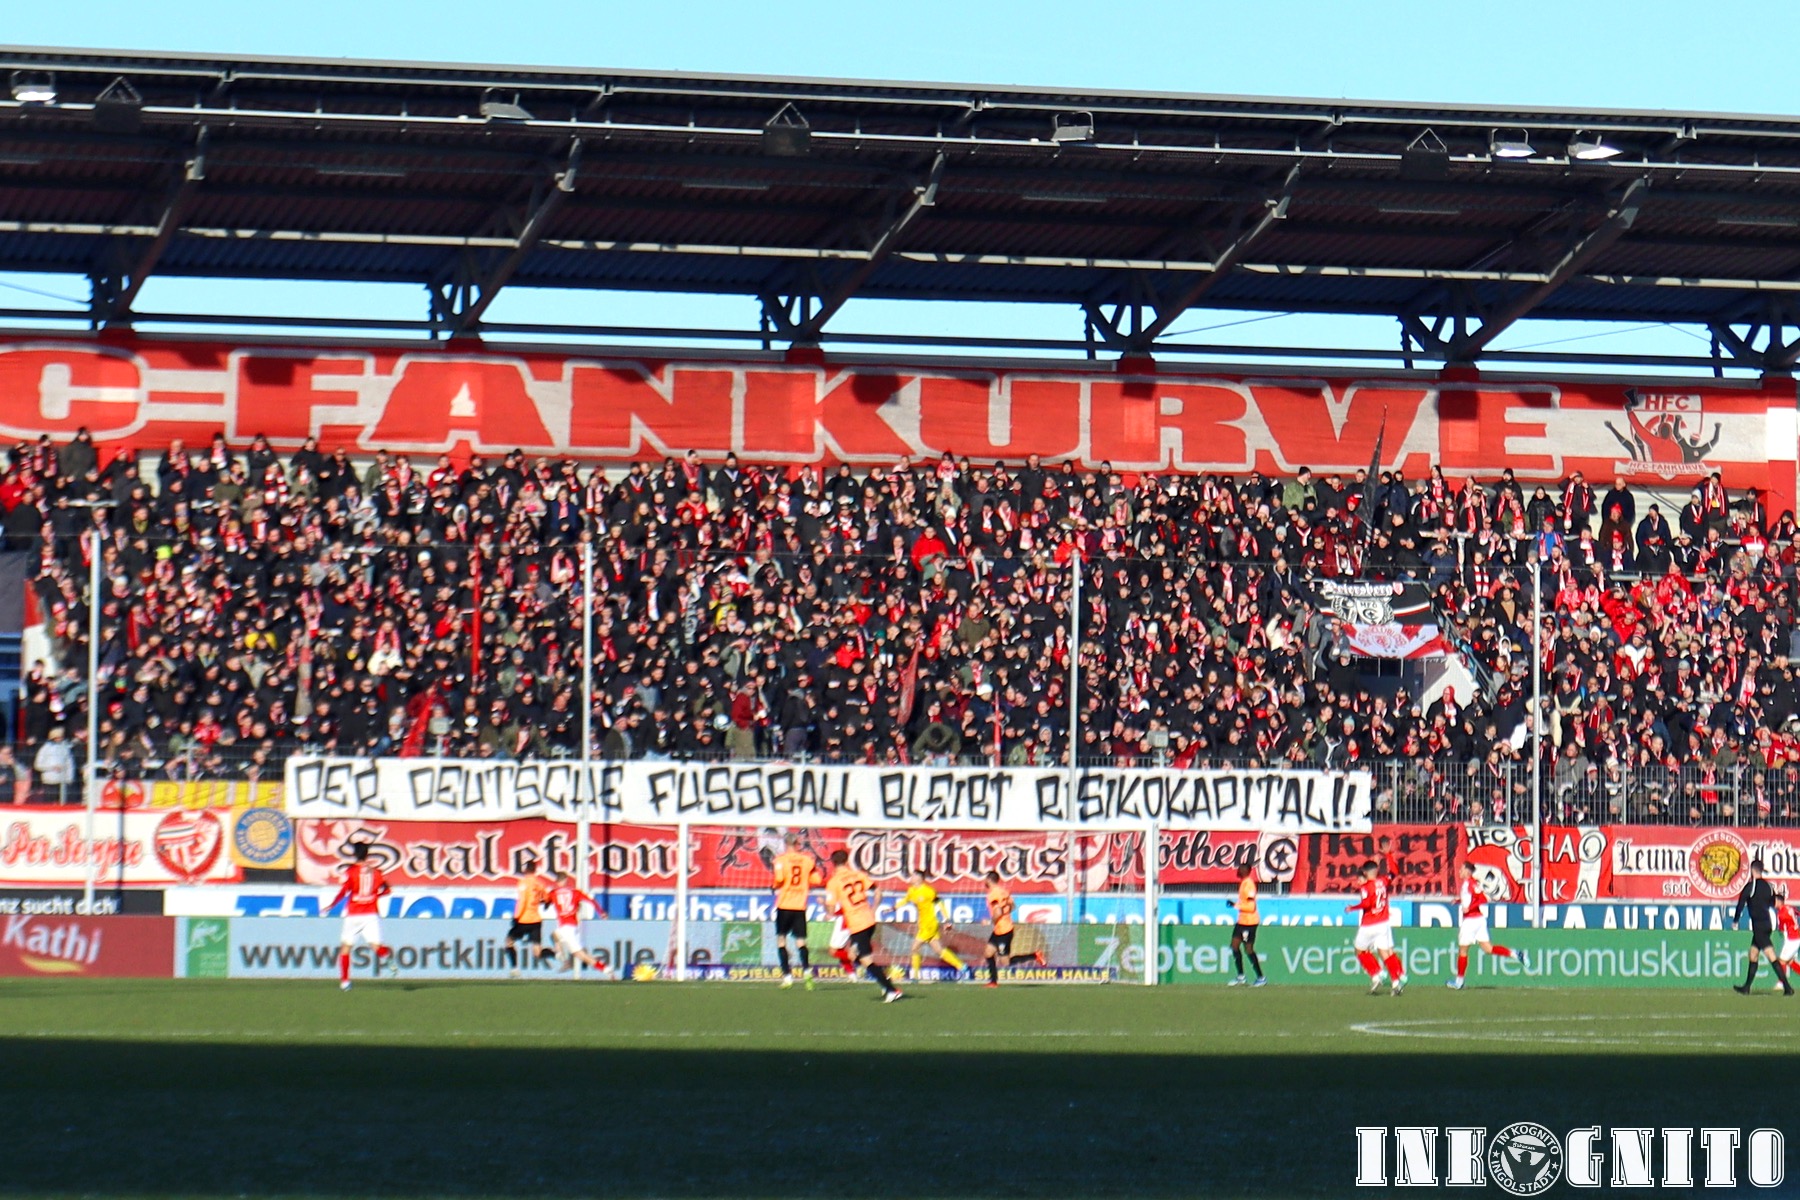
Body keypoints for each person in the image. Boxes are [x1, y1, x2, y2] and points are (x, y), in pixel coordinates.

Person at [822, 849, 901, 1001]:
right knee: (854, 955)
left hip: (857, 923)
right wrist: (874, 908)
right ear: (846, 861)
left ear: (832, 864)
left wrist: (825, 906)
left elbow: (831, 911)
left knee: (865, 959)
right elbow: (877, 891)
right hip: (869, 919)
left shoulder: (833, 882)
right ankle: (886, 983)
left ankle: (891, 989)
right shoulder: (859, 875)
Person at [327, 842, 394, 990]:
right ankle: (388, 957)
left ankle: (345, 982)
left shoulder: (351, 872)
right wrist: (376, 895)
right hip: (371, 914)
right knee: (377, 947)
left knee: (346, 948)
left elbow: (344, 891)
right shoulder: (376, 872)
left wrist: (332, 905)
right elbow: (388, 890)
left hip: (354, 914)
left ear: (354, 854)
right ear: (367, 854)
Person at [1447, 861, 1514, 989]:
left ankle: (1459, 982)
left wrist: (1469, 908)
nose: (1459, 871)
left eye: (1461, 869)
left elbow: (1482, 899)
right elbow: (1474, 898)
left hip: (1471, 921)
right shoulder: (1472, 883)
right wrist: (1459, 901)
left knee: (1463, 951)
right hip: (1479, 920)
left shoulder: (1469, 883)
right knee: (1488, 949)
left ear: (1467, 871)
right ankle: (1514, 953)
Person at [1732, 858, 1793, 996]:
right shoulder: (1769, 887)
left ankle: (1788, 988)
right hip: (1766, 924)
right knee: (1753, 954)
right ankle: (1746, 987)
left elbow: (1741, 903)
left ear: (1752, 871)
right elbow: (1772, 903)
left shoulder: (1751, 887)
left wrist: (1735, 920)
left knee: (1771, 956)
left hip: (1759, 925)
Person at [770, 833, 822, 989]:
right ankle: (806, 971)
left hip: (785, 904)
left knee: (781, 940)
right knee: (801, 941)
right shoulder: (808, 860)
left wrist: (774, 886)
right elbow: (817, 880)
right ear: (797, 843)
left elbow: (779, 879)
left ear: (785, 844)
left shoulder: (779, 860)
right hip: (800, 906)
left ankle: (787, 977)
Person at [1347, 860, 1406, 996]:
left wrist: (1353, 908)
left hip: (1369, 924)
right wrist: (1388, 854)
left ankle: (1376, 974)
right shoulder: (1383, 881)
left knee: (1359, 950)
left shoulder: (1366, 887)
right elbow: (1395, 872)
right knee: (1385, 953)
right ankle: (1396, 982)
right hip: (1383, 923)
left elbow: (1367, 903)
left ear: (1366, 873)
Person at [902, 868, 970, 981]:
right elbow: (904, 901)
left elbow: (939, 902)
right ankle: (962, 966)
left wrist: (947, 919)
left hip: (929, 925)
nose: (911, 878)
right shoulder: (911, 891)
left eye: (913, 876)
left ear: (919, 878)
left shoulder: (928, 891)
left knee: (914, 948)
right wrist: (893, 908)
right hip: (923, 925)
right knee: (939, 950)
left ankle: (915, 977)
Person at [981, 870, 1046, 987]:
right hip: (1000, 929)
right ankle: (993, 982)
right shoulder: (1004, 892)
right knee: (988, 953)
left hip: (1004, 931)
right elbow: (1013, 906)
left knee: (1005, 962)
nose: (984, 881)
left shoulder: (993, 894)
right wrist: (1005, 912)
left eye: (986, 879)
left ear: (989, 880)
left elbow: (998, 911)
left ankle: (1035, 955)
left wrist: (989, 921)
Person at [547, 871, 604, 975]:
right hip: (573, 926)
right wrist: (601, 912)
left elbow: (544, 901)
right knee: (579, 954)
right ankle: (605, 969)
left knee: (580, 954)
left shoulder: (553, 893)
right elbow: (591, 900)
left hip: (566, 927)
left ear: (558, 881)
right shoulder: (575, 892)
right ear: (565, 880)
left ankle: (564, 960)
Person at [505, 870, 554, 978]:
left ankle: (515, 968)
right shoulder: (540, 883)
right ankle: (557, 954)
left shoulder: (523, 883)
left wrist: (516, 916)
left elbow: (522, 901)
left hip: (523, 920)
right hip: (536, 921)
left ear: (525, 871)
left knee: (509, 942)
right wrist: (546, 903)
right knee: (537, 952)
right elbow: (547, 898)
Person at [1226, 862, 1266, 987]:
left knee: (1248, 949)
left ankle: (1261, 977)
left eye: (1240, 869)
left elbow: (1251, 906)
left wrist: (1235, 905)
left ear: (1245, 871)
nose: (1238, 871)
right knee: (1234, 946)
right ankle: (1241, 976)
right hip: (1241, 921)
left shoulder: (1249, 885)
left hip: (1249, 922)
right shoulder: (1243, 883)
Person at [1773, 887, 1800, 992]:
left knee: (1782, 961)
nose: (1773, 903)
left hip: (1792, 938)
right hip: (1795, 936)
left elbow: (1781, 928)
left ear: (1779, 901)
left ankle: (1781, 983)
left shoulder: (1781, 913)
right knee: (1790, 962)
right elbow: (1797, 914)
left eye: (1774, 901)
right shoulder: (1790, 908)